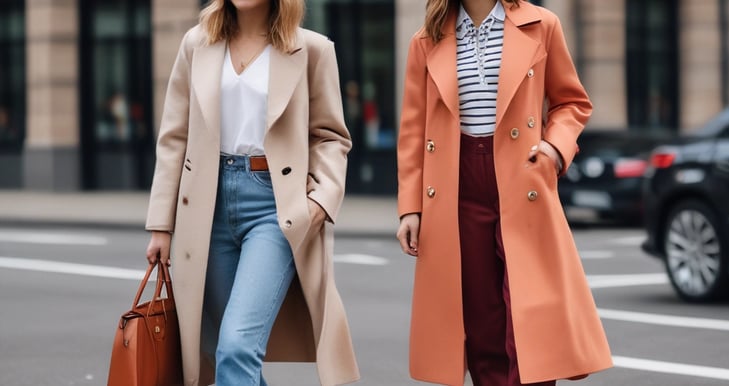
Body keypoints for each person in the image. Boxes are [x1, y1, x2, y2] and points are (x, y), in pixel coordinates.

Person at [396, 0, 612, 385]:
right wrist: (410, 208)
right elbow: (413, 129)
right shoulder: (426, 40)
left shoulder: (542, 25)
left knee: (533, 311)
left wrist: (554, 150)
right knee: (482, 319)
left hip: (523, 177)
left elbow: (571, 102)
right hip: (455, 185)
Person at [144, 0, 359, 385]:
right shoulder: (197, 44)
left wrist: (319, 203)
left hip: (274, 207)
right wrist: (161, 224)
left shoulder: (312, 49)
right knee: (227, 350)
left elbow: (330, 137)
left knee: (237, 346)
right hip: (206, 209)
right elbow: (174, 137)